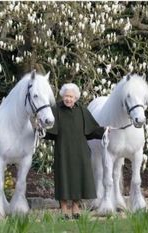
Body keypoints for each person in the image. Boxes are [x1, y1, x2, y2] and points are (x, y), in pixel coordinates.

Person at [44, 83, 106, 219]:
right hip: (63, 150)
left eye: (71, 96)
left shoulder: (82, 110)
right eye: (66, 96)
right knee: (63, 178)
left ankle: (76, 208)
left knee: (79, 179)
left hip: (81, 151)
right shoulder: (56, 110)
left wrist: (106, 130)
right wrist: (40, 129)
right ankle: (64, 209)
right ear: (62, 96)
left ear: (76, 97)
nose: (68, 99)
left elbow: (92, 131)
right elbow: (49, 132)